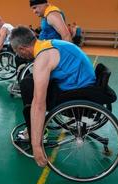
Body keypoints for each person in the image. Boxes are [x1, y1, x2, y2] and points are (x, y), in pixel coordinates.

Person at [10, 26, 96, 167]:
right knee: (29, 82)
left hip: (79, 92)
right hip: (82, 83)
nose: (19, 56)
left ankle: (35, 133)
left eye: (17, 53)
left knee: (30, 90)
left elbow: (39, 105)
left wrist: (36, 146)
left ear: (22, 49)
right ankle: (32, 127)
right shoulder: (47, 44)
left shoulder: (43, 58)